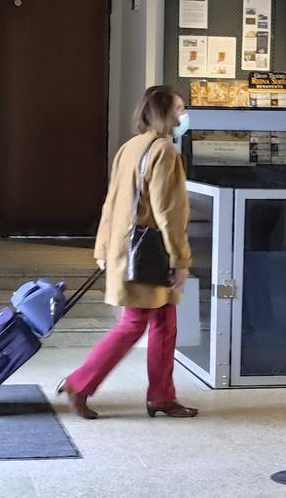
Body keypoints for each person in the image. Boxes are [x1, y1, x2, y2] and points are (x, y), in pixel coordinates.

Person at [58, 85, 197, 420]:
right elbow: (168, 212)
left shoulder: (130, 147)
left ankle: (162, 396)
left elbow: (111, 202)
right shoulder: (163, 150)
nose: (183, 116)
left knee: (165, 323)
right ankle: (80, 382)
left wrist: (102, 247)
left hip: (128, 247)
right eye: (179, 109)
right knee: (134, 324)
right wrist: (181, 260)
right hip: (152, 253)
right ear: (164, 113)